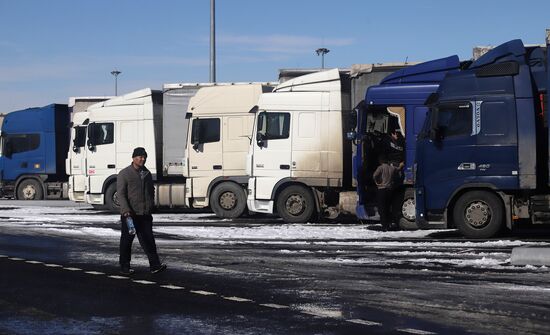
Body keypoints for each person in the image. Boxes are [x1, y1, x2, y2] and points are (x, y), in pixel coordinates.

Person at [117, 147, 166, 275]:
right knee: (127, 241)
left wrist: (151, 205)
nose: (142, 159)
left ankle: (155, 265)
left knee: (149, 240)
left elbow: (151, 191)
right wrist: (125, 210)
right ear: (133, 158)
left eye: (144, 157)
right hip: (130, 215)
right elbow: (121, 194)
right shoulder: (124, 173)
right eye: (140, 157)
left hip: (144, 214)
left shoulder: (147, 174)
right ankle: (124, 266)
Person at [373, 155, 399, 231]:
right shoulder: (392, 168)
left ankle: (384, 226)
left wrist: (377, 182)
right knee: (388, 207)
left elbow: (374, 175)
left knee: (382, 208)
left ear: (381, 160)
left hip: (382, 190)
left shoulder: (380, 168)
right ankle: (389, 223)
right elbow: (398, 170)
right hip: (390, 190)